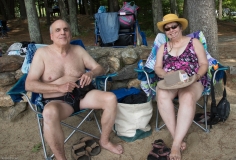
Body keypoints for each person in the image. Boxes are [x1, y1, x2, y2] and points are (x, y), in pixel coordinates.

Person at [25, 19, 123, 160]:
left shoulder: (78, 50)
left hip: (83, 95)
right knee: (49, 113)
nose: (62, 32)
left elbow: (99, 68)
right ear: (51, 36)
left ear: (70, 34)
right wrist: (57, 87)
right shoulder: (42, 54)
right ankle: (61, 158)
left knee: (110, 98)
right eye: (58, 30)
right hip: (58, 101)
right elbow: (29, 84)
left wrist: (91, 73)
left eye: (66, 29)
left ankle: (105, 141)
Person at [154, 14, 208, 160]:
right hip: (171, 80)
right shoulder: (162, 47)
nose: (171, 30)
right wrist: (166, 74)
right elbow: (157, 68)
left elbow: (204, 64)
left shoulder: (194, 42)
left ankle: (175, 145)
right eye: (167, 28)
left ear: (180, 27)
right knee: (162, 95)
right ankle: (176, 138)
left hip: (192, 79)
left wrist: (196, 76)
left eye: (174, 26)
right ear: (165, 31)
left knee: (187, 96)